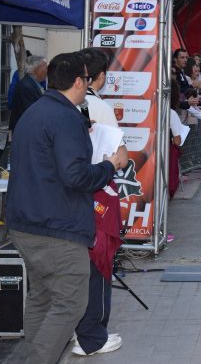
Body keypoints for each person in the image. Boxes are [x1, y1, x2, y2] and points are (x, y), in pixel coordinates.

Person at [6, 52, 128, 364]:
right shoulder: (66, 117)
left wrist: (80, 134)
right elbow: (76, 176)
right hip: (57, 227)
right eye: (87, 79)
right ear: (77, 82)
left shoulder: (36, 111)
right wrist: (109, 165)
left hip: (26, 223)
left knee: (42, 297)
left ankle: (36, 356)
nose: (88, 85)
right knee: (70, 303)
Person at [73, 48, 127, 357]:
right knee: (99, 264)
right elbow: (120, 156)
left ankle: (76, 330)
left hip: (67, 198)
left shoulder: (58, 106)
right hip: (96, 195)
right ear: (100, 76)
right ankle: (92, 335)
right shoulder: (100, 107)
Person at [8, 56, 48, 133]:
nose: (47, 71)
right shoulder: (26, 86)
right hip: (25, 130)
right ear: (36, 70)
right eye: (45, 68)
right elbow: (30, 112)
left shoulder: (33, 83)